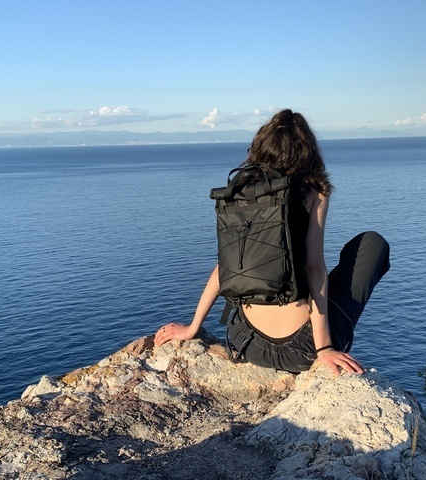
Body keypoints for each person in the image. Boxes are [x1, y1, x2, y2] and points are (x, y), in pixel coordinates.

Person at [154, 109, 390, 377]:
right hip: (301, 350)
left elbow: (224, 267)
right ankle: (325, 342)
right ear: (307, 151)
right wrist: (324, 348)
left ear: (261, 147)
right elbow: (314, 267)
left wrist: (193, 327)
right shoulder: (314, 192)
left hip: (246, 342)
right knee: (371, 244)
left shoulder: (240, 193)